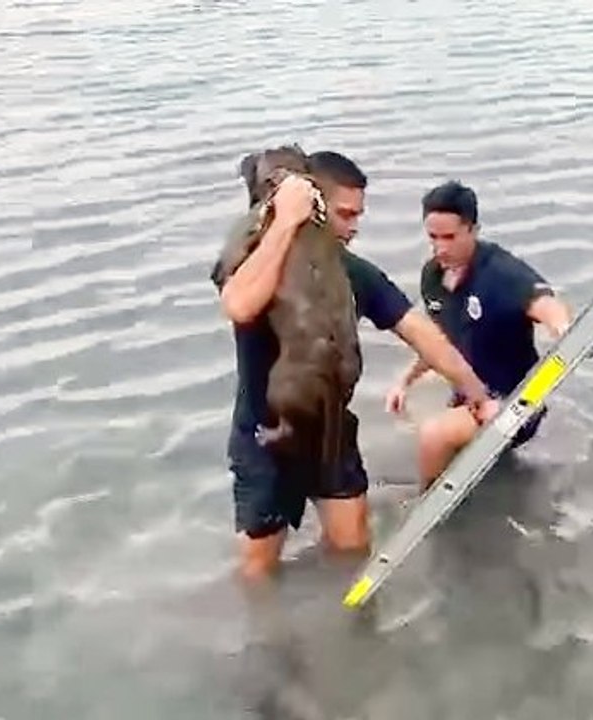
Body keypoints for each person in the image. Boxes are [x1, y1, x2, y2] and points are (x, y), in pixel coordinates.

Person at [211, 151, 499, 581]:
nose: (354, 226)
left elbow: (419, 331)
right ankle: (269, 644)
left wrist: (477, 392)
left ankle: (351, 632)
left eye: (358, 214)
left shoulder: (352, 272)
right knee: (258, 572)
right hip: (263, 440)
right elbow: (238, 304)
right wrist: (287, 222)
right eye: (344, 214)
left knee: (354, 554)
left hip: (329, 435)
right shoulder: (255, 256)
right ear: (314, 204)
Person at [385, 180, 573, 492]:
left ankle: (425, 510)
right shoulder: (433, 276)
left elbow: (547, 306)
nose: (440, 248)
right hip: (470, 396)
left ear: (473, 229)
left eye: (450, 237)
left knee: (434, 435)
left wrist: (563, 328)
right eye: (433, 237)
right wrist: (404, 381)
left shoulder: (502, 272)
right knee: (446, 448)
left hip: (516, 400)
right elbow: (442, 341)